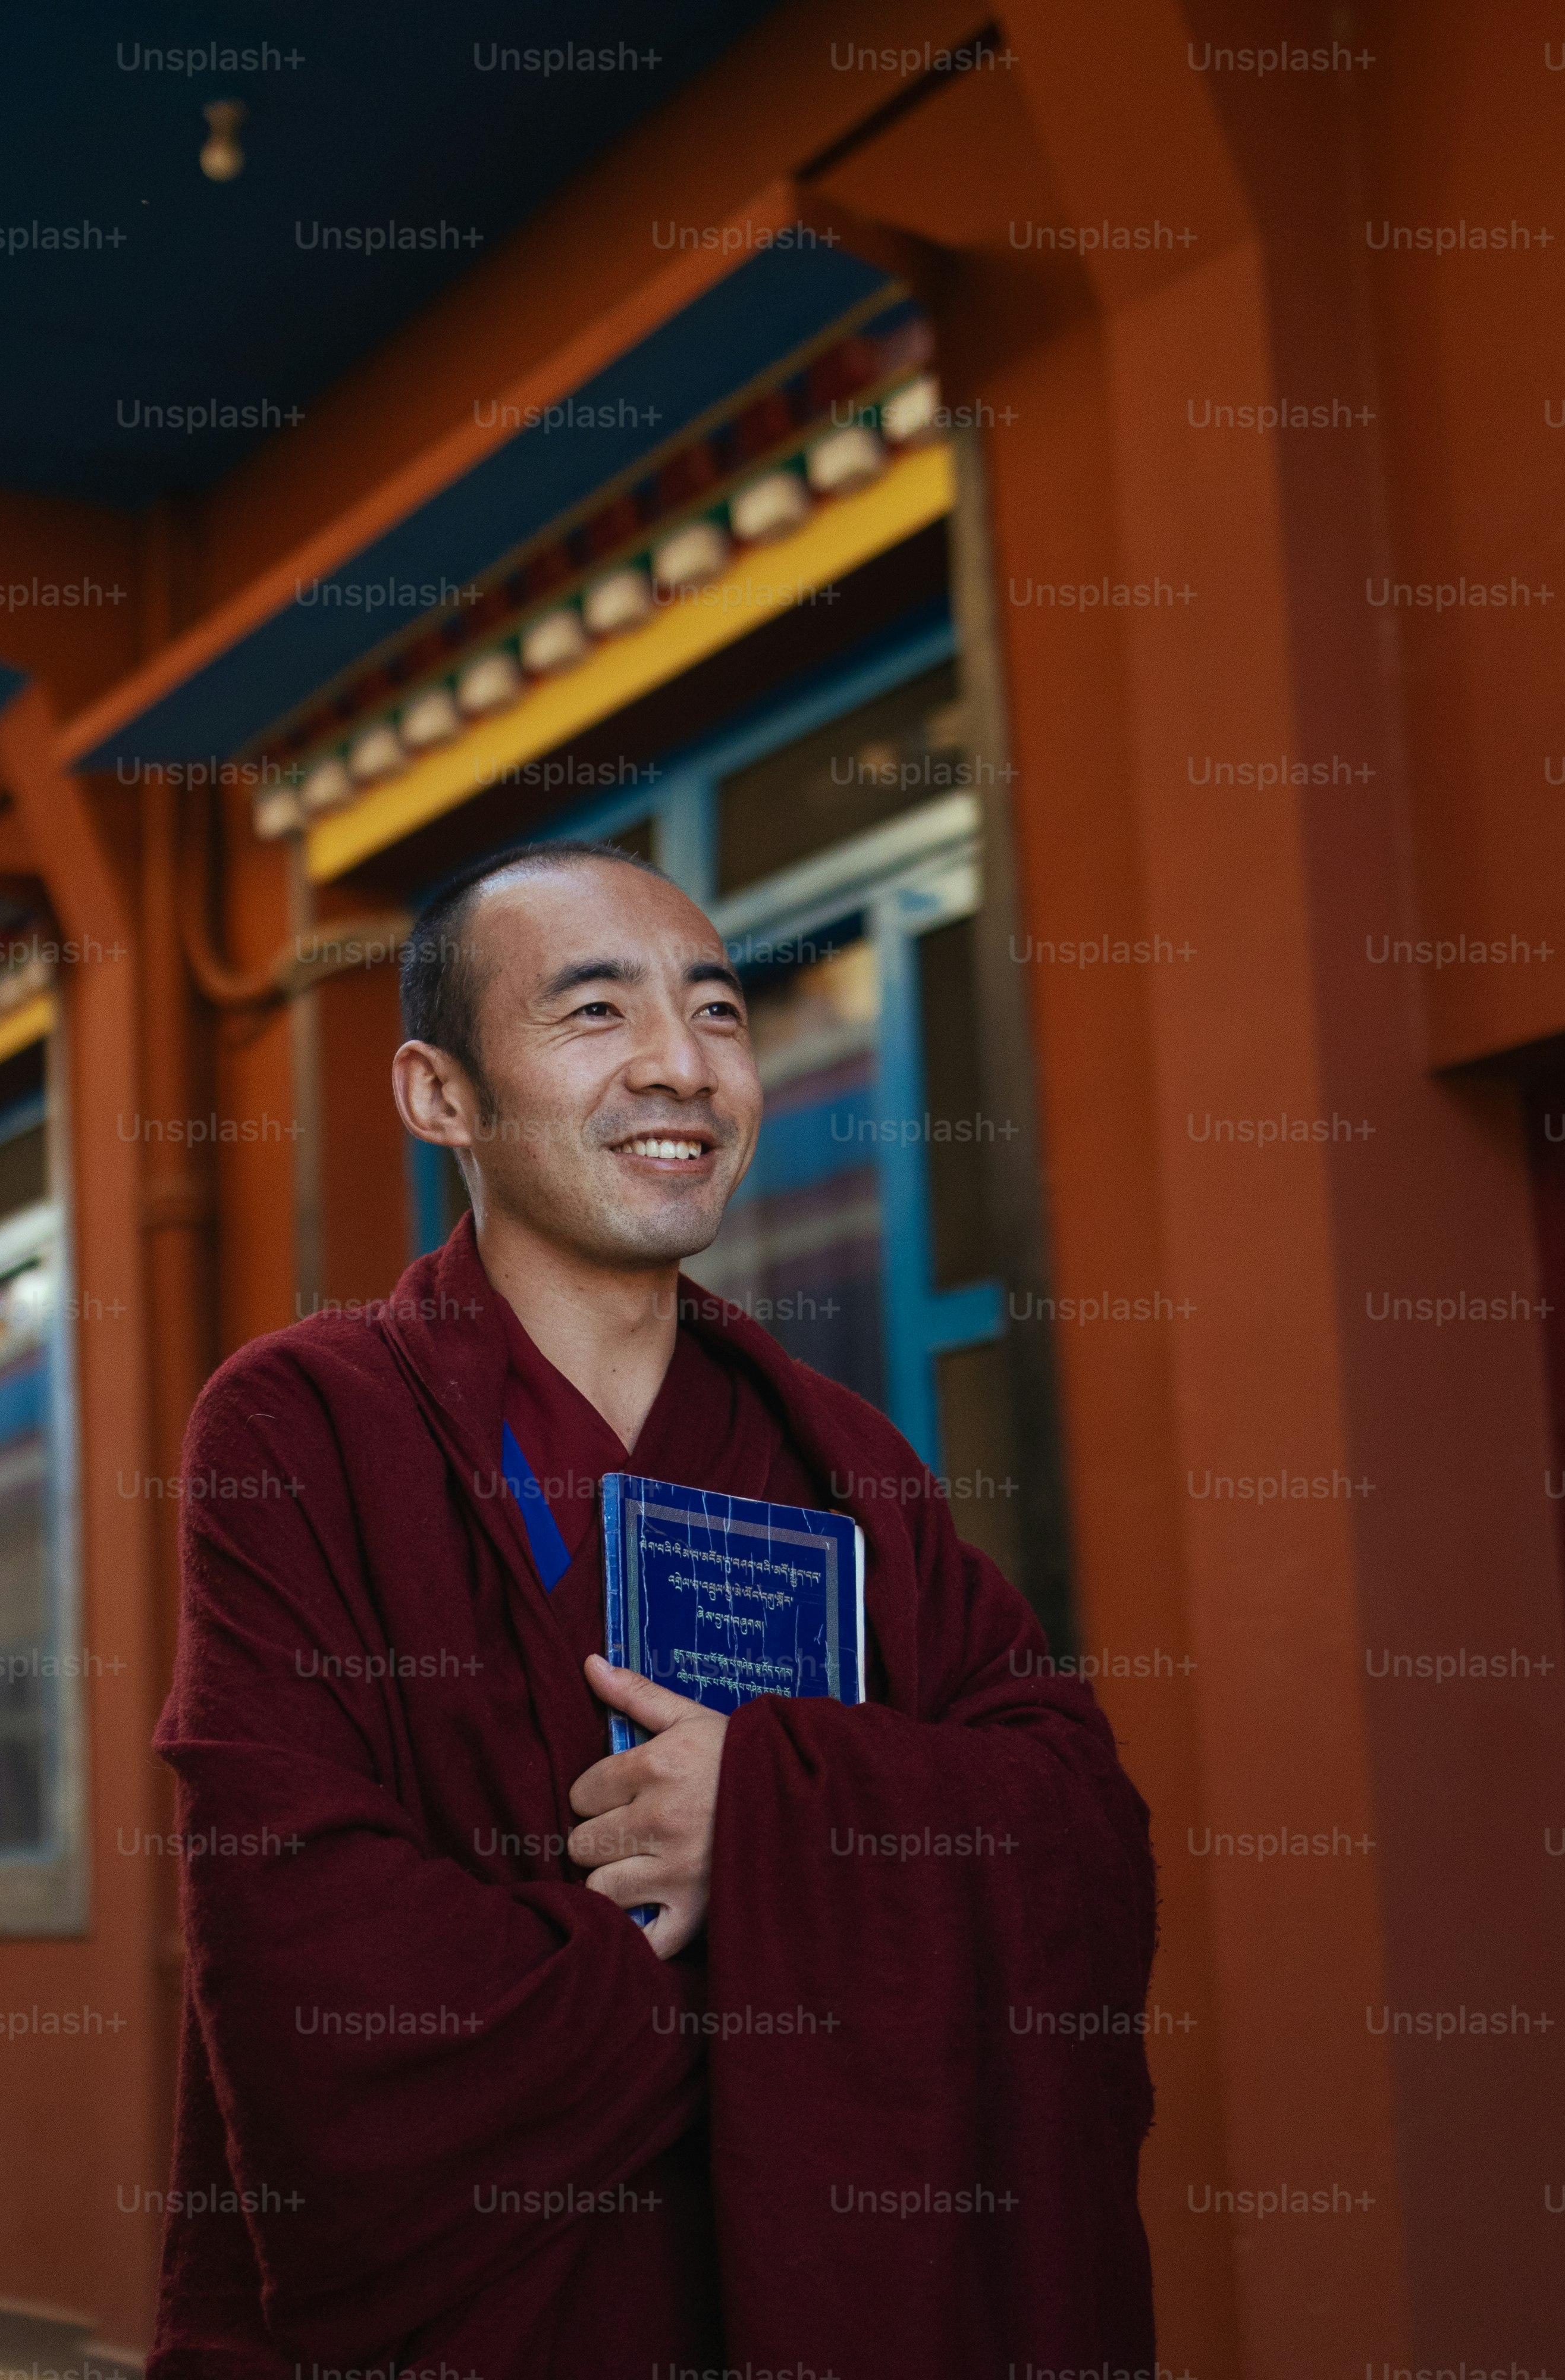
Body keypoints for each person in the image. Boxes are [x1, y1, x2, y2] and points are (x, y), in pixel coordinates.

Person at [149, 838, 1158, 2376]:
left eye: (721, 1014)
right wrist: (823, 1967)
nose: (681, 1067)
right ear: (440, 1097)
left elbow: (1079, 1821)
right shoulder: (307, 1424)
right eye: (596, 1014)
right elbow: (311, 1963)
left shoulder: (838, 1452)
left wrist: (762, 1813)